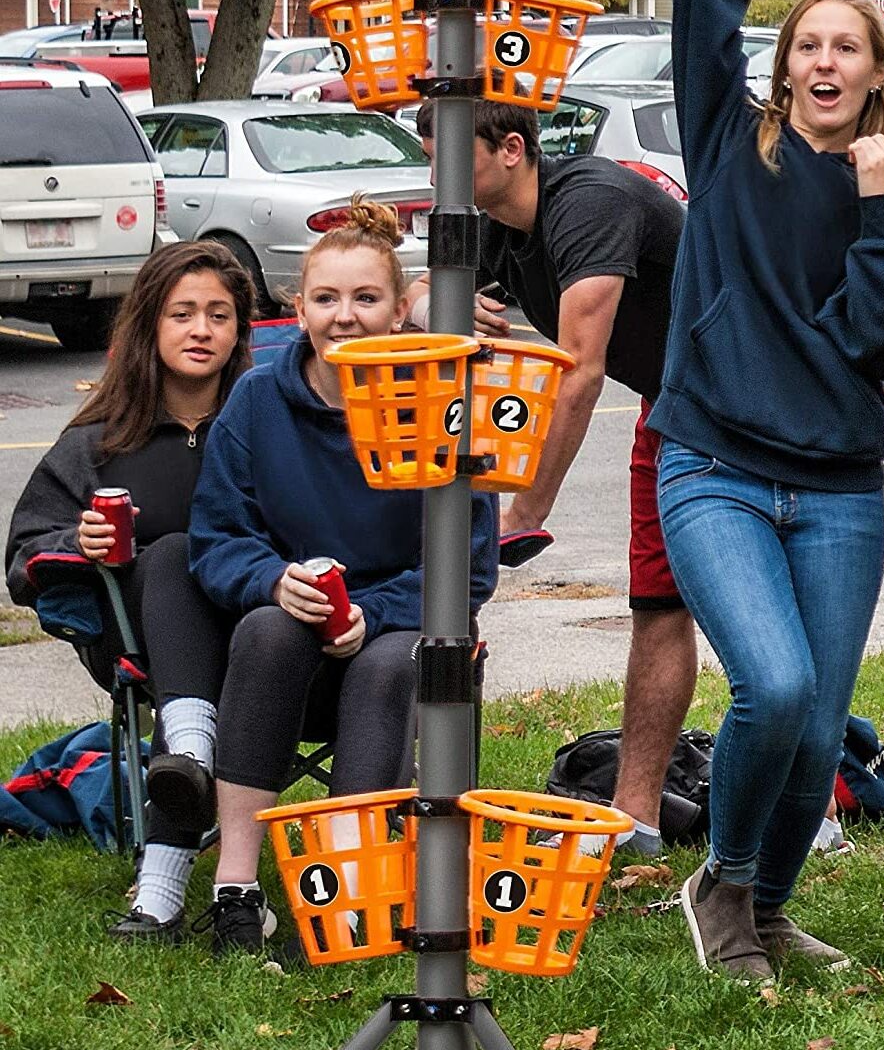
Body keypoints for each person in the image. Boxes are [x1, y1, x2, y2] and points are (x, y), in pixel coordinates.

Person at [651, 0, 884, 980]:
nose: (822, 60)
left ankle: (764, 906)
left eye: (844, 46)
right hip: (713, 460)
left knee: (820, 723)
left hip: (840, 483)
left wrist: (879, 210)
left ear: (872, 70)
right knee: (776, 685)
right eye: (806, 41)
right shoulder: (727, 139)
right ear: (782, 61)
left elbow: (876, 342)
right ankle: (717, 879)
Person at [188, 197, 499, 953]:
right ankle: (236, 889)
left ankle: (344, 895)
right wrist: (271, 579)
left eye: (366, 299)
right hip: (288, 643)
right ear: (299, 310)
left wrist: (375, 610)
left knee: (393, 661)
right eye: (327, 299)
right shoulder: (257, 400)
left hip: (397, 630)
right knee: (265, 628)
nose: (345, 317)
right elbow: (216, 536)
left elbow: (470, 567)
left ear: (399, 312)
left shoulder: (440, 404)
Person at [410, 98, 694, 858]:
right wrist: (424, 304)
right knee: (658, 604)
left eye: (448, 152)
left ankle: (813, 804)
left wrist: (521, 510)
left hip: (745, 409)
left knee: (754, 620)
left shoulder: (587, 203)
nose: (435, 172)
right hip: (673, 408)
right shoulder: (505, 231)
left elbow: (578, 373)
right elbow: (412, 299)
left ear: (510, 148)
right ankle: (636, 820)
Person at [5, 241, 255, 940]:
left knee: (200, 554)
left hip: (260, 638)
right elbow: (25, 552)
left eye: (219, 315)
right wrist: (72, 545)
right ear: (149, 325)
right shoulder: (100, 442)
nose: (201, 330)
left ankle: (185, 773)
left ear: (239, 332)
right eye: (182, 314)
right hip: (141, 641)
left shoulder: (262, 427)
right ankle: (190, 751)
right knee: (173, 555)